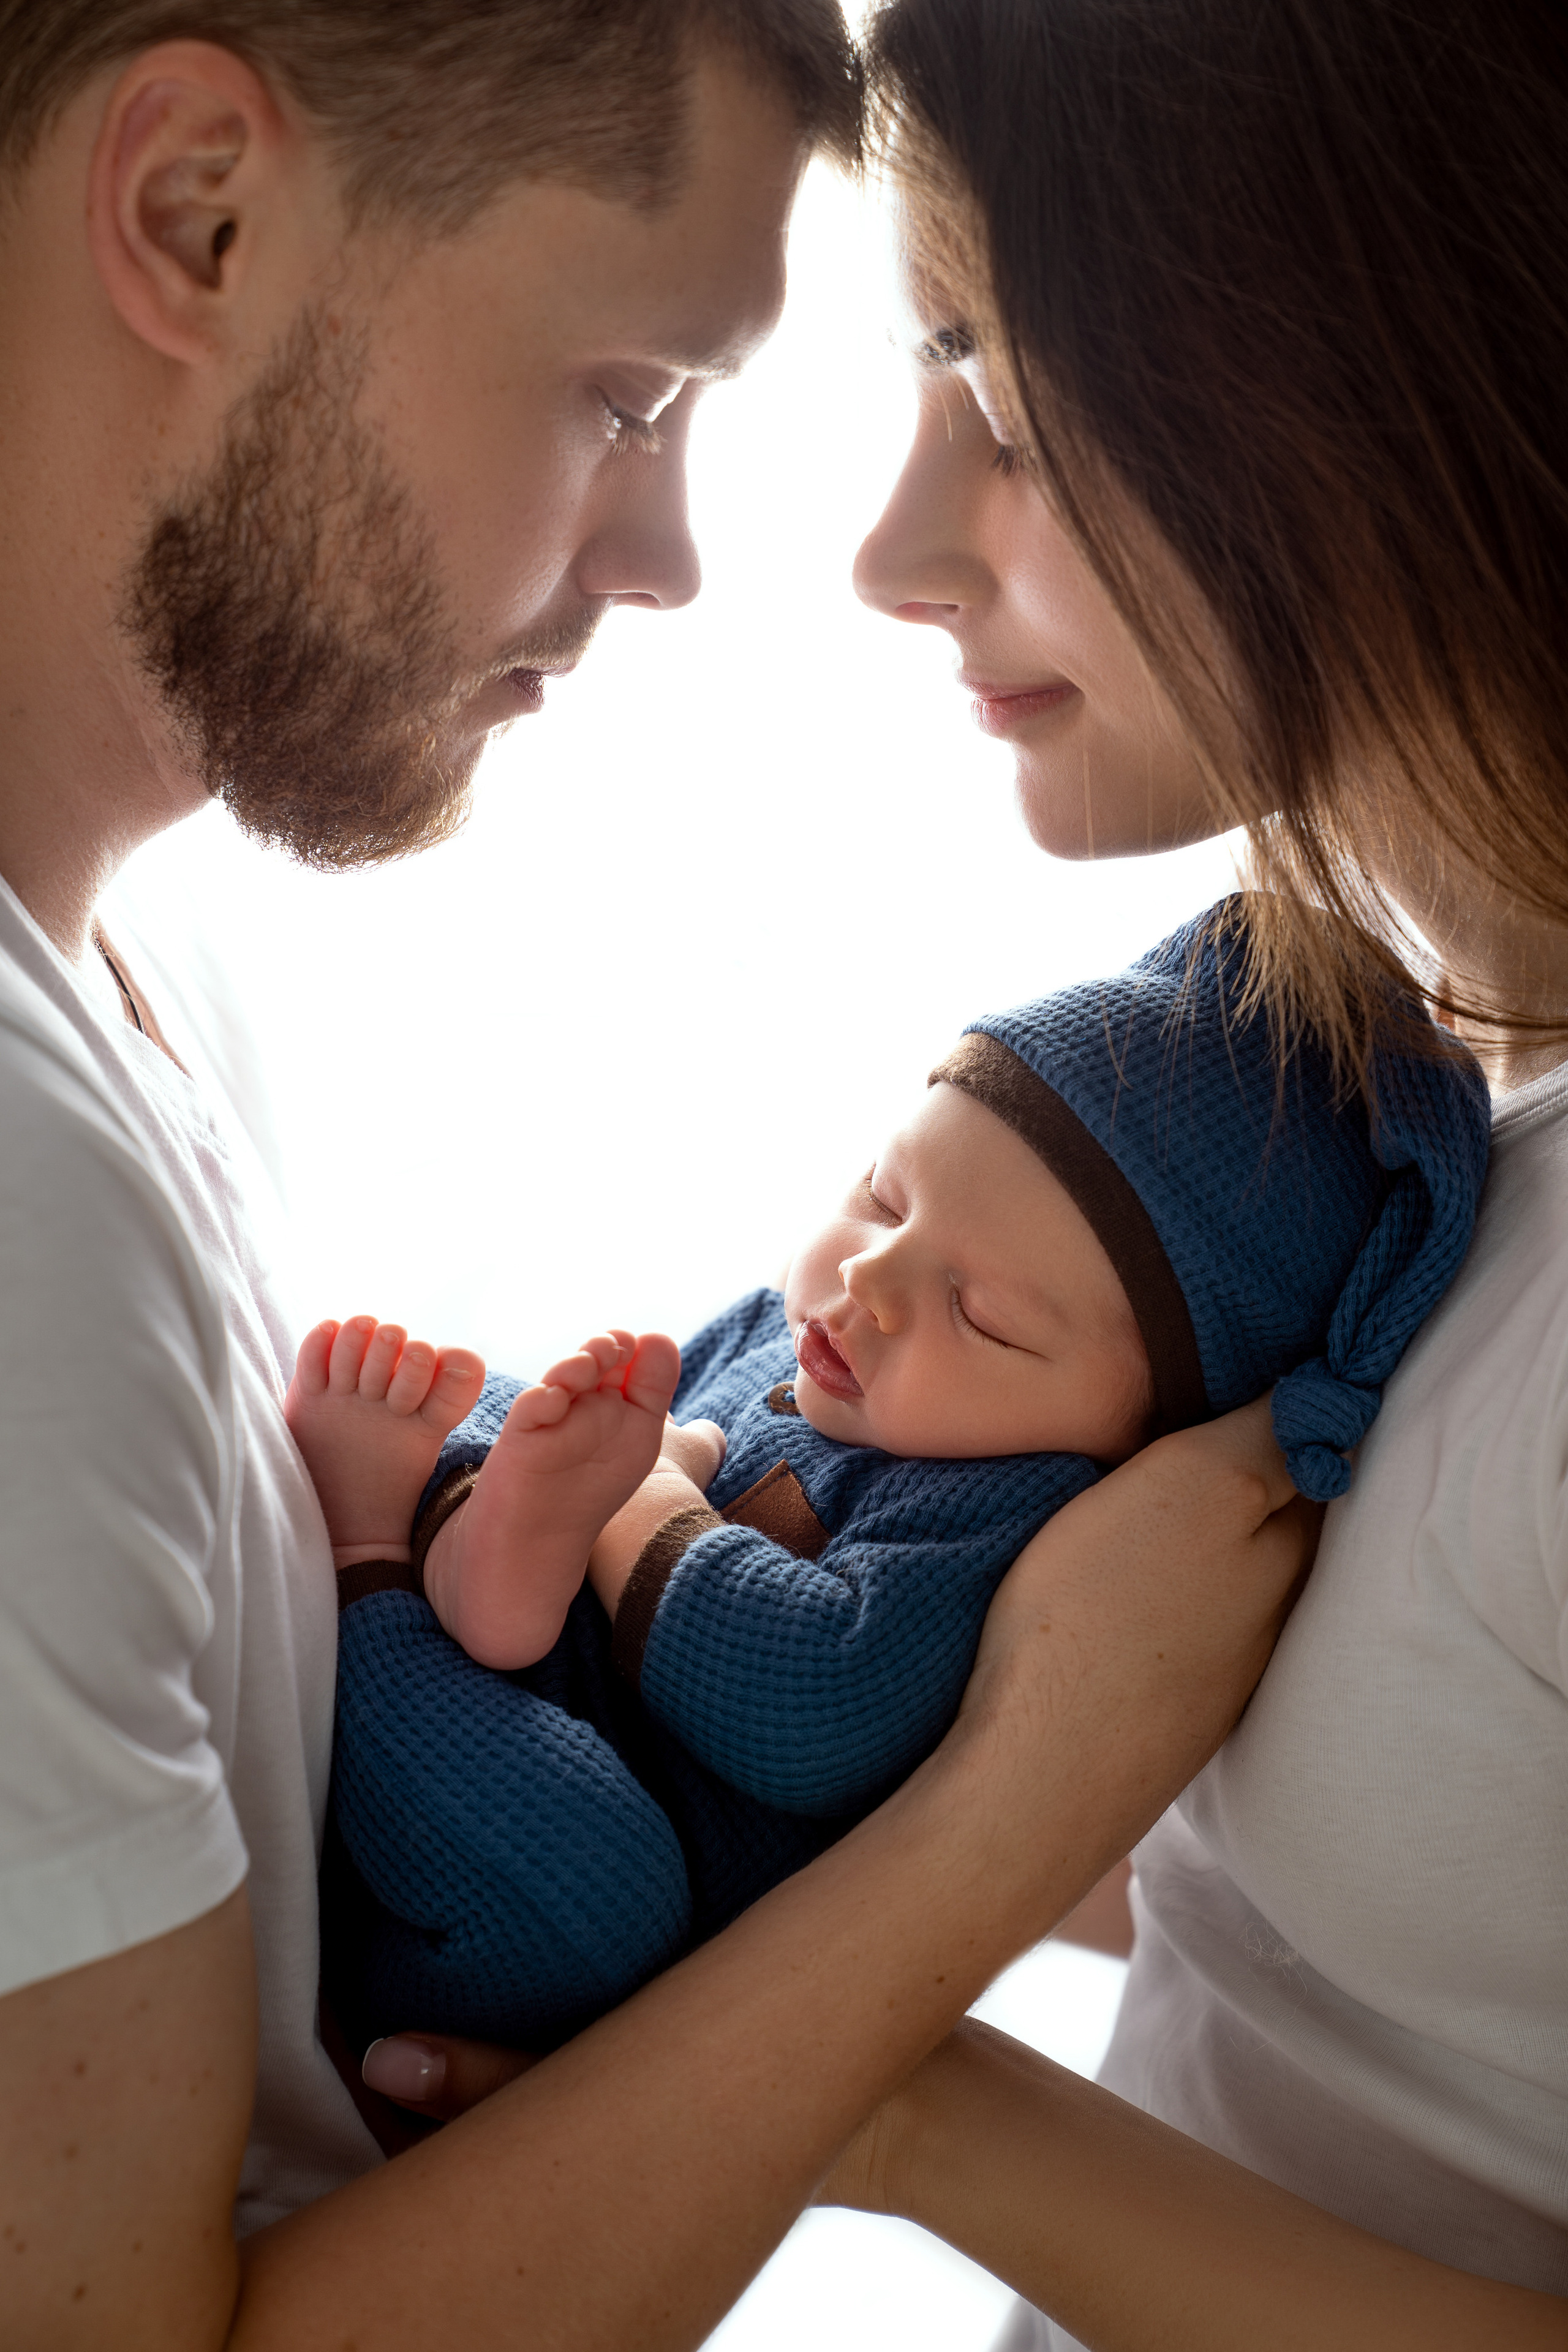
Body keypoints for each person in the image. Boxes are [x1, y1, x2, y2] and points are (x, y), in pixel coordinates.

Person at [0, 5, 1320, 2348]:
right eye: (626, 392)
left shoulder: (129, 982)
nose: (678, 554)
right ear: (195, 211)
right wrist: (1017, 1805)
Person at [806, 0, 1568, 2342]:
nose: (893, 544)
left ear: (1349, 392)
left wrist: (875, 2076)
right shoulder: (1412, 1120)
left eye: (1013, 407)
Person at [287, 905, 1487, 2056]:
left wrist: (639, 1496)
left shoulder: (1004, 1514)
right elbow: (628, 1423)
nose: (869, 1277)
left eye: (979, 1313)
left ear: (1131, 1438)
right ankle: (475, 1560)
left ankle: (373, 1559)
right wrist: (587, 1465)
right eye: (883, 1193)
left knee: (593, 1887)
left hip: (530, 1836)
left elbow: (810, 1709)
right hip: (532, 1660)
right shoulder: (801, 1327)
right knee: (499, 1399)